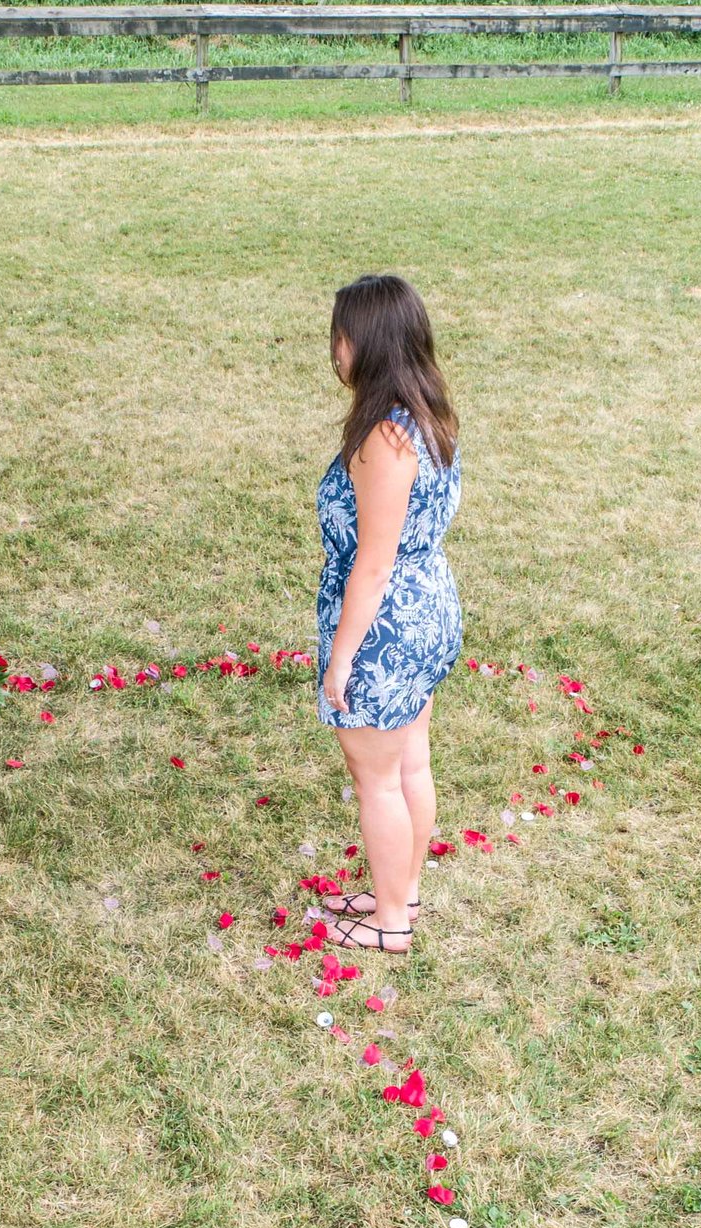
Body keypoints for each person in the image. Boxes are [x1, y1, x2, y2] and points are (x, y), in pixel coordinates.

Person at [314, 275, 464, 955]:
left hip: (388, 627)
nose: (334, 349)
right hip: (429, 608)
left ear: (366, 343)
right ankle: (399, 892)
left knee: (376, 777)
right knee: (410, 765)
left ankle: (391, 924)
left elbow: (372, 565)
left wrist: (342, 656)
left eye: (340, 335)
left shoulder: (384, 438)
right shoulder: (426, 415)